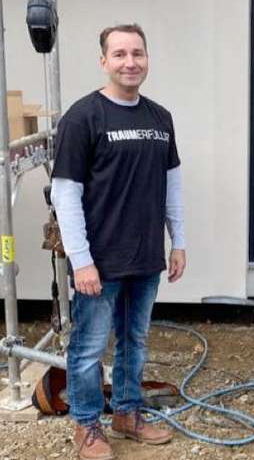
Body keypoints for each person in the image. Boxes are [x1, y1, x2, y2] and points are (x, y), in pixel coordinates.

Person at [51, 23, 186, 460]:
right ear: (104, 61)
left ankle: (127, 413)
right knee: (89, 347)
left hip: (145, 256)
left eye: (138, 53)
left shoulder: (160, 118)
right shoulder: (82, 118)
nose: (131, 62)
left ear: (147, 59)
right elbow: (65, 193)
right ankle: (87, 425)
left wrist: (178, 241)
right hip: (99, 261)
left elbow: (172, 184)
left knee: (135, 340)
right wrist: (81, 260)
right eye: (120, 54)